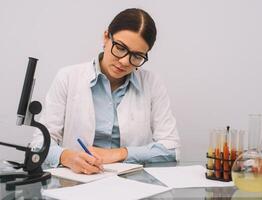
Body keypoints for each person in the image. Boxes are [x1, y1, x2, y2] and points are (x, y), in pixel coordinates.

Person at [31, 8, 180, 174]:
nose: (124, 61)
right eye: (120, 47)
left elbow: (171, 149)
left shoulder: (152, 83)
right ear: (106, 37)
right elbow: (39, 144)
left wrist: (119, 154)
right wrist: (67, 157)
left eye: (137, 56)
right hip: (77, 183)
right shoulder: (67, 77)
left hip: (133, 185)